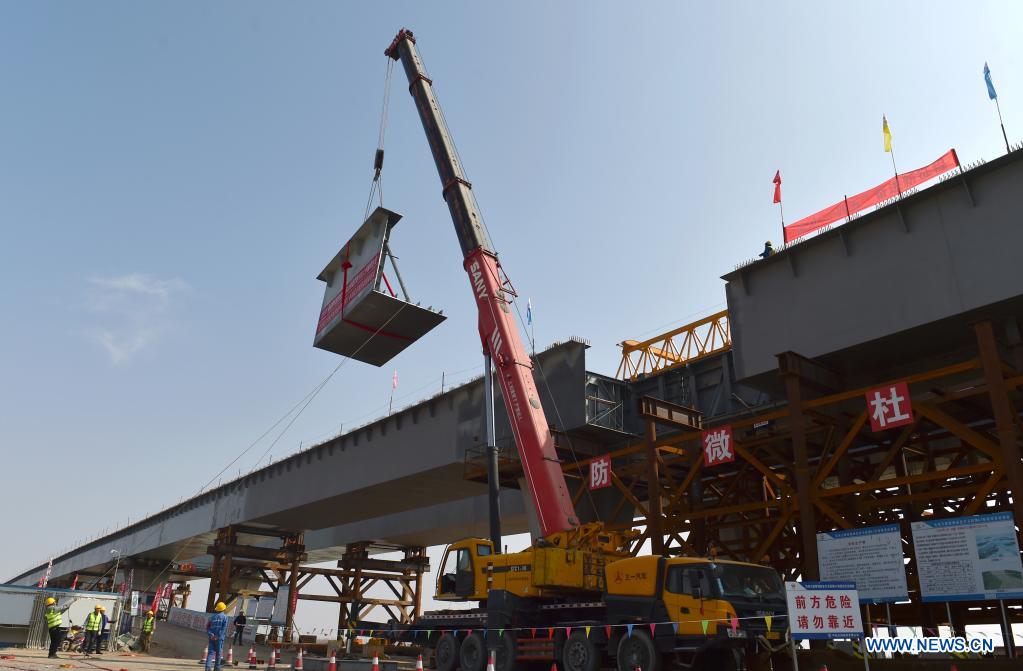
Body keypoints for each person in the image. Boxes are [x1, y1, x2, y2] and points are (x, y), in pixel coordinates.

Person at [205, 602, 229, 671]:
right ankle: (217, 668)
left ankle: (207, 668)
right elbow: (223, 629)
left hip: (212, 638)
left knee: (210, 653)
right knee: (218, 653)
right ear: (223, 609)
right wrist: (217, 636)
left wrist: (211, 635)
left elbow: (208, 627)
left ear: (217, 609)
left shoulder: (212, 617)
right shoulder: (225, 617)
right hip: (219, 638)